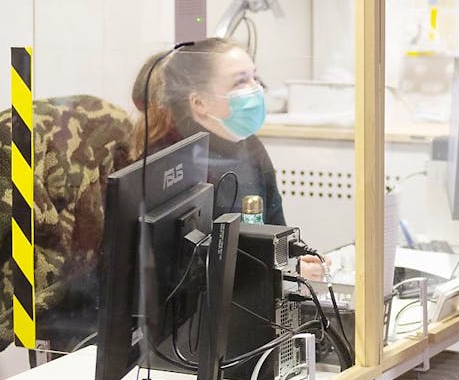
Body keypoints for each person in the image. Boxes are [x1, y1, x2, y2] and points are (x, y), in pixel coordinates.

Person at [132, 37, 324, 280]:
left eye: (254, 77)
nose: (256, 89)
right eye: (240, 81)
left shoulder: (250, 146)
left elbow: (275, 231)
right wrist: (287, 271)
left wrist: (296, 260)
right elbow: (192, 271)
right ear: (199, 102)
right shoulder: (170, 165)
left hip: (257, 296)